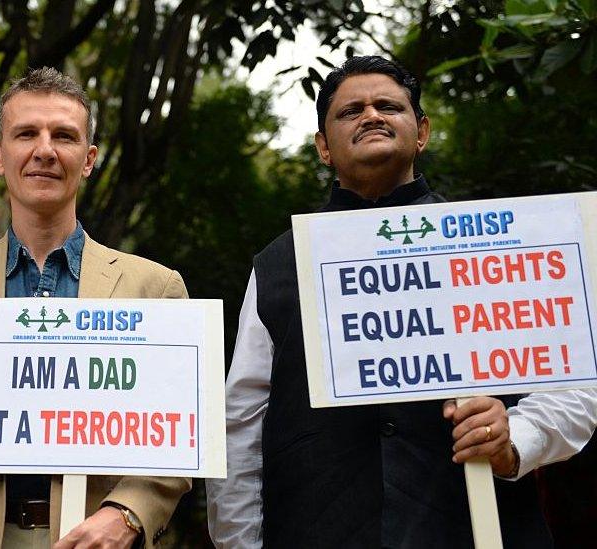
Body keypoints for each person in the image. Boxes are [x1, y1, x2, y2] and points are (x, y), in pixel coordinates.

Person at [205, 56, 597, 548]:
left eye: (388, 105)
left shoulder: (503, 244)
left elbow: (576, 387)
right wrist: (238, 543)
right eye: (351, 111)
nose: (371, 115)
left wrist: (516, 437)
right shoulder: (276, 266)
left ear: (422, 132)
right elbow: (241, 423)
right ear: (324, 148)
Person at [0, 67, 191, 549]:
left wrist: (128, 514)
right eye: (26, 133)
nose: (44, 150)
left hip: (97, 538)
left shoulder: (155, 288)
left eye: (64, 136)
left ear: (88, 159)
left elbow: (177, 439)